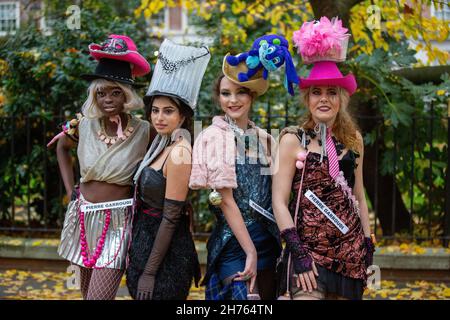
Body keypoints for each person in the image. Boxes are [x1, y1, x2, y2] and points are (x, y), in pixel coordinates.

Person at [272, 17, 375, 300]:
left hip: (350, 255)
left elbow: (359, 196)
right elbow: (279, 202)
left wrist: (367, 243)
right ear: (307, 99)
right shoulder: (292, 139)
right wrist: (298, 252)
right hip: (309, 256)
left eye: (332, 92)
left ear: (342, 98)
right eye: (316, 92)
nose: (324, 99)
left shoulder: (354, 140)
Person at [49, 34, 151, 300]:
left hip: (118, 222)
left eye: (116, 92)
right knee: (86, 295)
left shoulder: (144, 131)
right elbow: (61, 147)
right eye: (101, 93)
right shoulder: (83, 125)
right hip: (83, 217)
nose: (108, 99)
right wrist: (71, 188)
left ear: (127, 95)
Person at [189, 45, 289, 299]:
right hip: (234, 245)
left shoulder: (267, 140)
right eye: (225, 94)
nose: (232, 100)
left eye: (240, 92)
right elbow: (226, 201)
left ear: (252, 96)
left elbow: (280, 196)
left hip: (269, 243)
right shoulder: (214, 137)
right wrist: (250, 253)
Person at [126, 39, 211, 300]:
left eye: (168, 111)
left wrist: (150, 272)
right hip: (145, 244)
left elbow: (171, 217)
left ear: (182, 116)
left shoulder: (180, 152)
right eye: (155, 111)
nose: (159, 117)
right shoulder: (163, 144)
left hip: (166, 258)